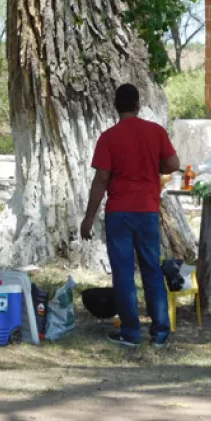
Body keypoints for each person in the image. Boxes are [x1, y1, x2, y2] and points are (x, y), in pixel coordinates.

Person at [80, 84, 180, 348]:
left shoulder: (108, 138)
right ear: (138, 106)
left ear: (116, 106)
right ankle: (160, 333)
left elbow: (101, 179)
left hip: (119, 212)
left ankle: (131, 332)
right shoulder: (155, 132)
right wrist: (152, 165)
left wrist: (89, 217)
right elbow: (173, 165)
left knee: (123, 273)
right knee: (152, 270)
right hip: (147, 210)